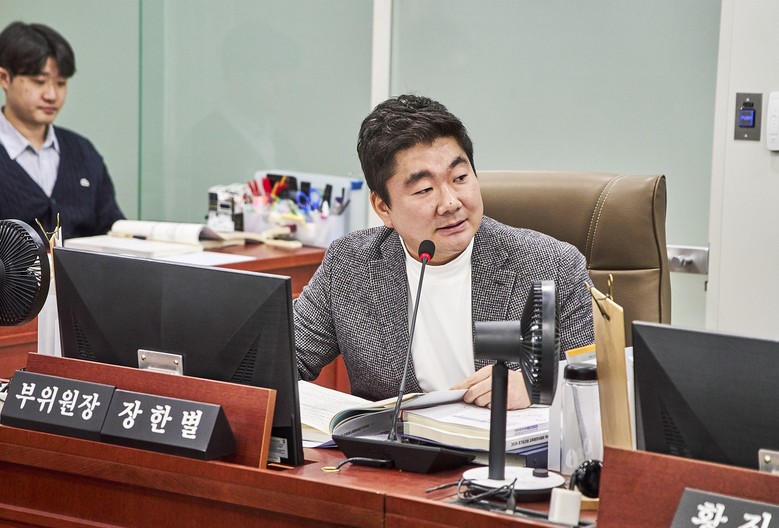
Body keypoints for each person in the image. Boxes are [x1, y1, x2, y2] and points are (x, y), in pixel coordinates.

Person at [295, 94, 594, 410]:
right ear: (383, 207)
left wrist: (539, 385)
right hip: (391, 442)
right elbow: (283, 360)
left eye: (460, 178)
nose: (450, 202)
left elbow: (600, 382)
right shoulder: (349, 264)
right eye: (424, 189)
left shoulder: (552, 265)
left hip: (504, 441)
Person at [0, 21, 124, 241]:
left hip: (82, 266)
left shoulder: (83, 152)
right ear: (4, 78)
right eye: (39, 82)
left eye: (60, 83)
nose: (51, 95)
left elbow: (112, 230)